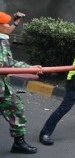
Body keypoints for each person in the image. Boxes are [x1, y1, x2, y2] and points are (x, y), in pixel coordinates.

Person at [0, 11, 42, 154]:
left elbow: (10, 63)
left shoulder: (3, 40)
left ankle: (19, 143)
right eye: (5, 23)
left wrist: (29, 68)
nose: (8, 26)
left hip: (3, 87)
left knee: (17, 110)